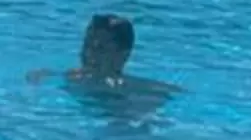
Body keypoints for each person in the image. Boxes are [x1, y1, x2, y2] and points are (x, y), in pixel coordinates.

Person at [28, 13, 175, 110]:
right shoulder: (64, 78)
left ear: (123, 54)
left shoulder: (146, 91)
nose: (89, 54)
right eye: (87, 45)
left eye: (100, 48)